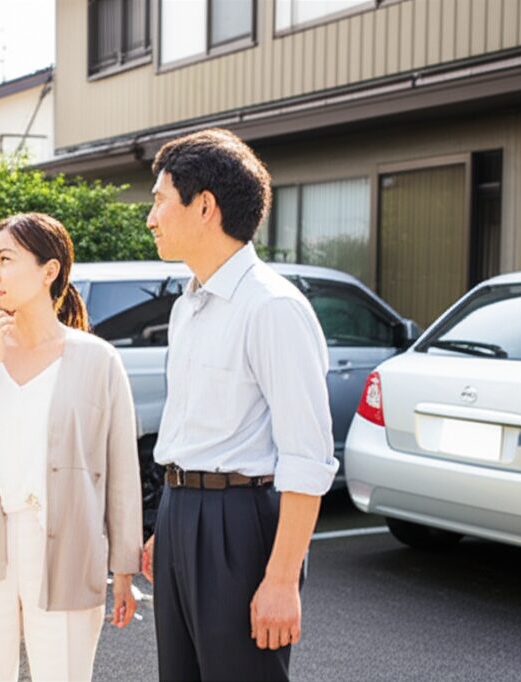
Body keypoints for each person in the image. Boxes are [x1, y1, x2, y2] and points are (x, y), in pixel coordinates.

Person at [141, 129, 339, 681]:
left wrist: (280, 579)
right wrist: (167, 527)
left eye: (159, 200)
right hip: (182, 515)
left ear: (204, 206)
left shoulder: (272, 308)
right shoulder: (189, 305)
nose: (151, 217)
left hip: (240, 525)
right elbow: (190, 427)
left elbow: (307, 456)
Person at [0, 212, 142, 682]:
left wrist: (124, 568)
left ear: (50, 271)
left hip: (67, 546)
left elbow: (121, 468)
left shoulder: (97, 359)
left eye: (6, 259)